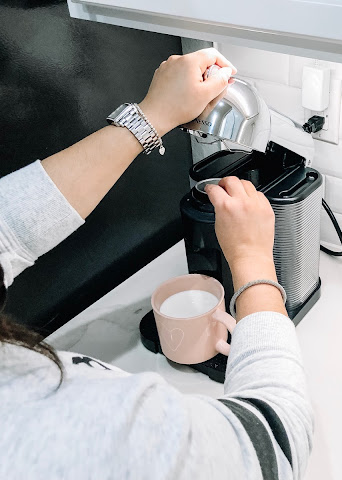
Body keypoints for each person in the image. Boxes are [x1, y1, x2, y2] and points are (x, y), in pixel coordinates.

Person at [0, 48, 313, 480]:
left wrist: (152, 114)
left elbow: (8, 226)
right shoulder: (77, 432)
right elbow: (277, 441)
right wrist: (253, 258)